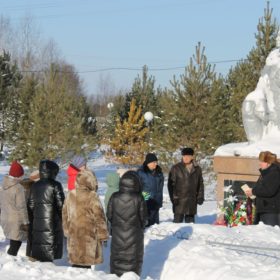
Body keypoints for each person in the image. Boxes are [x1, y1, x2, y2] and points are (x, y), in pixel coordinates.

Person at [62, 166, 108, 268]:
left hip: (74, 234)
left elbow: (64, 215)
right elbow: (99, 217)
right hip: (89, 236)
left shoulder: (70, 195)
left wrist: (66, 230)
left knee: (76, 264)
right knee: (86, 264)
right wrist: (103, 234)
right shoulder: (92, 196)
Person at [107, 171, 147, 277]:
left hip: (117, 237)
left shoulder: (114, 197)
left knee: (117, 262)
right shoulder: (139, 198)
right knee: (132, 267)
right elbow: (144, 219)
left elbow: (109, 216)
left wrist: (117, 225)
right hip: (134, 238)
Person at [28, 160, 65, 262]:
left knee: (39, 244)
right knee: (51, 246)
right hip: (52, 222)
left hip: (37, 222)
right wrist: (64, 219)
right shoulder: (56, 185)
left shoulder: (35, 185)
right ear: (53, 171)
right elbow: (61, 205)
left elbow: (30, 205)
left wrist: (34, 219)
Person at [168, 147, 204, 223]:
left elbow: (200, 184)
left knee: (191, 224)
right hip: (179, 201)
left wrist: (200, 196)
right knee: (177, 224)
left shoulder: (197, 169)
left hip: (191, 201)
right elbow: (171, 185)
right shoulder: (176, 168)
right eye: (184, 156)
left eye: (188, 156)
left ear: (192, 157)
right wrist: (173, 197)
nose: (186, 158)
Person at [0, 161, 29, 256]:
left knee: (14, 241)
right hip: (16, 220)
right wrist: (25, 222)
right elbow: (22, 207)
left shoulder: (3, 186)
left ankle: (10, 260)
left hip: (5, 218)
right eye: (21, 175)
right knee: (16, 242)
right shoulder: (18, 188)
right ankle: (11, 260)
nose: (22, 177)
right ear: (18, 175)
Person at [244, 151, 280, 226]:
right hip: (264, 209)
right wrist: (252, 192)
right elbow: (262, 188)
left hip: (270, 212)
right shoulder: (266, 173)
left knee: (269, 235)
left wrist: (253, 191)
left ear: (268, 162)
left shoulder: (274, 172)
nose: (260, 163)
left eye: (262, 161)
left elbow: (269, 190)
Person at [137, 153, 164, 227]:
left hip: (156, 200)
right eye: (153, 162)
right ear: (148, 163)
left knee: (155, 225)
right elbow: (137, 187)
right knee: (147, 224)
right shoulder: (141, 172)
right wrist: (142, 199)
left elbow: (161, 187)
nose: (155, 164)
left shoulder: (159, 172)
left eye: (156, 162)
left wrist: (159, 199)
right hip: (146, 201)